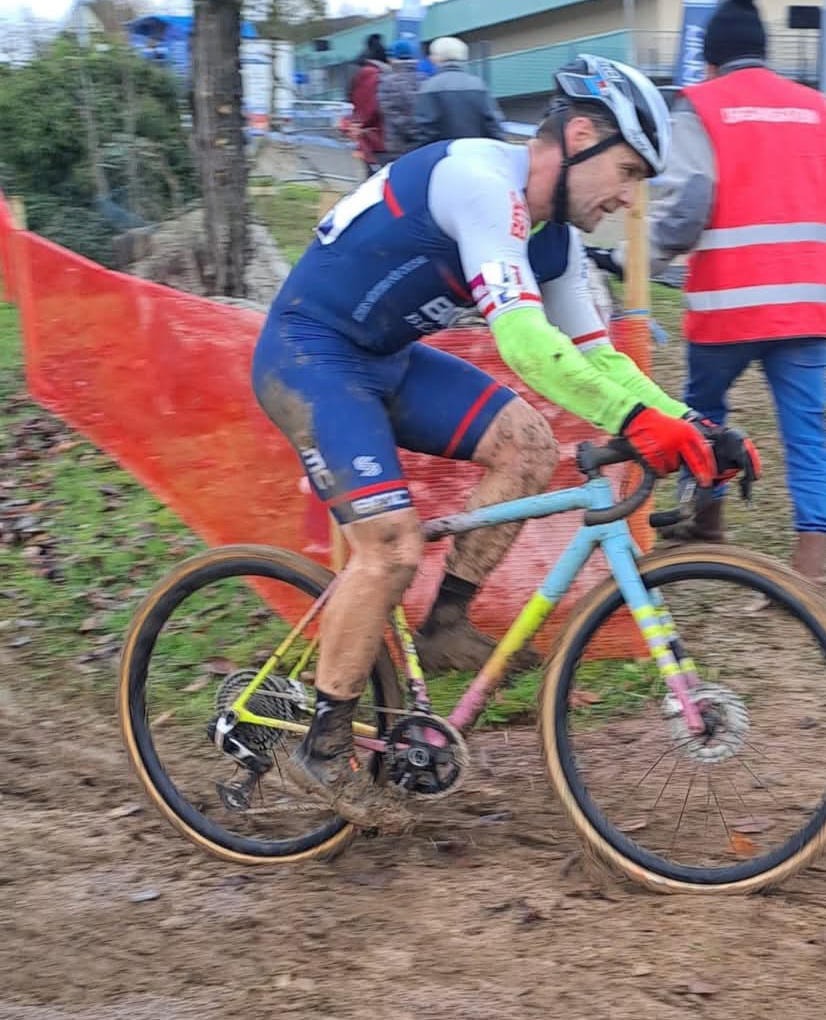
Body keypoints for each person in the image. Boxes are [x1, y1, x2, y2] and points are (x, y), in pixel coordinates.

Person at [252, 55, 759, 828]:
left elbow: (598, 357)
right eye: (627, 171)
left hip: (384, 360)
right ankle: (319, 747)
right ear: (580, 136)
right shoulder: (480, 182)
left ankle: (445, 622)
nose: (628, 198)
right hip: (309, 353)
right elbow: (524, 343)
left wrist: (692, 424)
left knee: (527, 446)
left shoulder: (554, 240)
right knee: (390, 546)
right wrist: (636, 422)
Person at [589, 0, 826, 590]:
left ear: (711, 60)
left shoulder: (702, 105)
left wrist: (631, 260)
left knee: (705, 417)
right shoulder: (816, 108)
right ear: (765, 53)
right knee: (806, 433)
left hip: (728, 309)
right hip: (807, 308)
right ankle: (808, 572)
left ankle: (709, 524)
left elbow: (689, 206)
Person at [412, 36, 504, 147]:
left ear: (435, 59)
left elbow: (424, 132)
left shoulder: (428, 87)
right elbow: (493, 126)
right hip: (476, 152)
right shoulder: (479, 85)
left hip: (443, 153)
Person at [344, 40, 388, 169]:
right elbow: (371, 109)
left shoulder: (360, 76)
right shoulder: (375, 77)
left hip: (367, 140)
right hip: (379, 140)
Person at [378, 35, 421, 161]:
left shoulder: (386, 83)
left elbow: (390, 112)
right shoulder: (425, 79)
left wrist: (410, 132)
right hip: (423, 143)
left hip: (398, 146)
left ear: (392, 59)